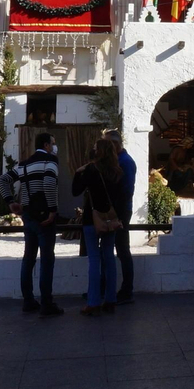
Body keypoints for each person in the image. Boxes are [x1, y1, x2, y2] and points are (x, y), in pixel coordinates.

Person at [72, 139, 126, 317]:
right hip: (111, 218)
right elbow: (122, 197)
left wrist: (78, 172)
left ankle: (93, 302)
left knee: (94, 259)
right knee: (109, 257)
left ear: (99, 152)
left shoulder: (90, 170)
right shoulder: (118, 171)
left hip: (92, 218)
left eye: (95, 148)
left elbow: (76, 191)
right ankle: (110, 300)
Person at [12, 132, 63, 318]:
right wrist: (52, 209)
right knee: (47, 260)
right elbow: (49, 183)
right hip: (44, 217)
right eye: (53, 143)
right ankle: (47, 303)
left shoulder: (24, 164)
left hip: (28, 216)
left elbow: (3, 181)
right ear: (46, 145)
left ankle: (28, 300)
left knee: (29, 258)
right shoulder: (50, 161)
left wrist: (11, 202)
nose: (54, 146)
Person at [107, 130, 137, 305]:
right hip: (117, 210)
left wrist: (115, 213)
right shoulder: (120, 161)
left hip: (120, 212)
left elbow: (126, 191)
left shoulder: (125, 162)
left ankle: (127, 290)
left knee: (122, 249)